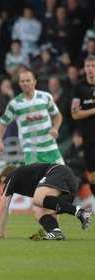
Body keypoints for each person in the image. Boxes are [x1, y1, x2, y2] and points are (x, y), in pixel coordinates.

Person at [0, 163, 92, 240]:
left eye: (3, 182)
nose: (4, 187)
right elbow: (52, 203)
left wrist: (1, 233)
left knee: (37, 199)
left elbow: (4, 205)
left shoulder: (12, 175)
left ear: (7, 176)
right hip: (70, 185)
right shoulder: (28, 182)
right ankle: (55, 231)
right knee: (39, 211)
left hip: (58, 171)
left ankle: (81, 212)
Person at [0, 69, 64, 165]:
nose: (25, 83)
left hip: (50, 146)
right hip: (31, 150)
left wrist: (55, 128)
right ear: (19, 84)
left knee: (61, 175)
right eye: (22, 81)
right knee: (35, 178)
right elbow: (3, 122)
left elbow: (57, 115)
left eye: (28, 80)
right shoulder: (15, 104)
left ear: (34, 82)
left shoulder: (45, 97)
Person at [71, 55, 95, 198]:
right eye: (88, 66)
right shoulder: (79, 87)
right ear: (84, 68)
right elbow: (75, 114)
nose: (90, 69)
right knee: (92, 176)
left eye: (93, 66)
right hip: (88, 138)